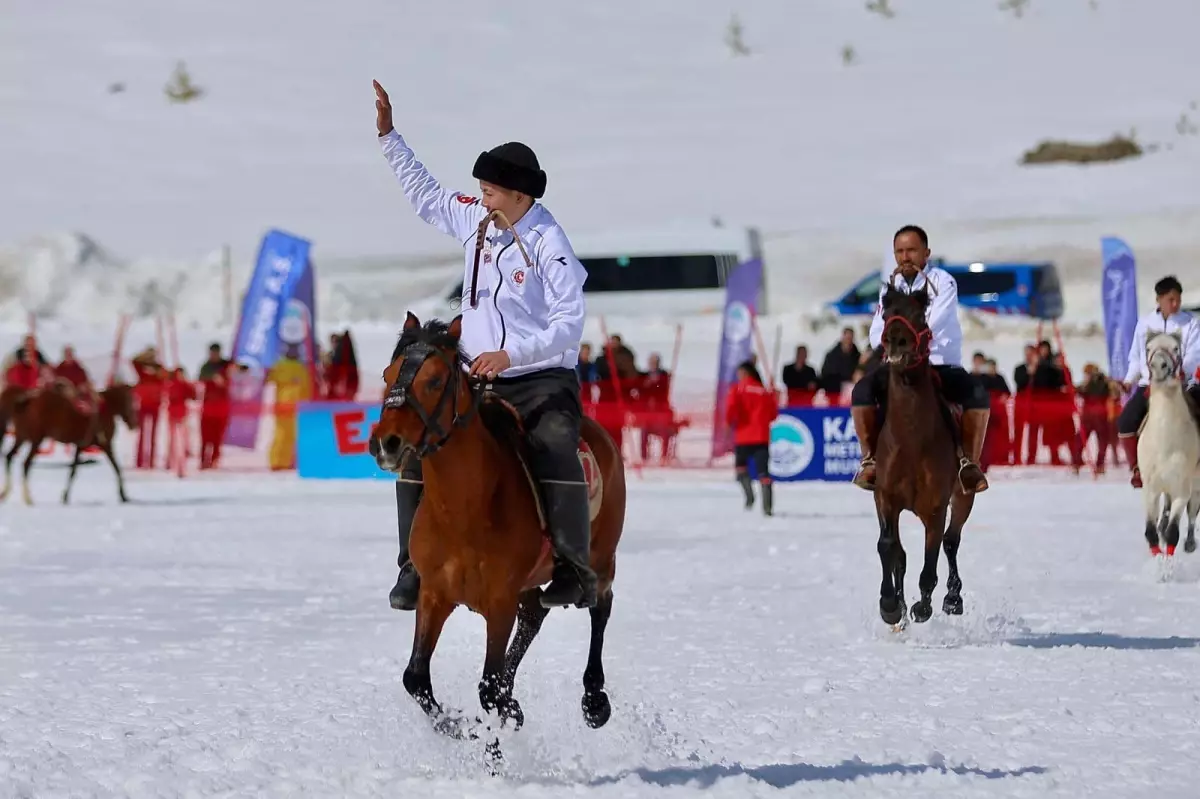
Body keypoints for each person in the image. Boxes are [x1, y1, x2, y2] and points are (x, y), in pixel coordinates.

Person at [375, 79, 597, 611]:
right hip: (478, 378)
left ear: (520, 196)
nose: (481, 198)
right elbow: (428, 196)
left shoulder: (550, 243)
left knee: (557, 443)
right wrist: (389, 137)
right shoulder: (478, 219)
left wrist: (514, 355)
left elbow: (571, 323)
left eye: (491, 191)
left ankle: (572, 566)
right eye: (480, 188)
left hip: (540, 378)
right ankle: (412, 566)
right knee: (418, 446)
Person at [850, 225, 991, 493]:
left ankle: (969, 465)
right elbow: (877, 329)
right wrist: (890, 343)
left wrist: (907, 335)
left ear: (926, 253)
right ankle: (869, 460)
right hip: (898, 365)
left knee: (977, 393)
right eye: (899, 252)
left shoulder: (943, 282)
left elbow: (935, 321)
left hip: (939, 363)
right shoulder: (890, 287)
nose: (905, 257)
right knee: (862, 391)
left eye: (911, 250)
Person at [1115, 275, 1200, 487]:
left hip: (1182, 385)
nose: (1175, 304)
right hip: (1150, 386)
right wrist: (1128, 380)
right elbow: (1136, 357)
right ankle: (1137, 469)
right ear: (1158, 299)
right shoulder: (1144, 324)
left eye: (1178, 299)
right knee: (1126, 421)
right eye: (1171, 299)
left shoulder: (1190, 323)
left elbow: (1194, 354)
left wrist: (1181, 371)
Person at [725, 360, 778, 516]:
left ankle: (750, 497)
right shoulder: (764, 391)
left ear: (744, 373)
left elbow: (731, 409)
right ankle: (767, 507)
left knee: (741, 469)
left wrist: (728, 425)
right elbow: (773, 415)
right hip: (761, 436)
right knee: (764, 474)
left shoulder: (737, 389)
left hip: (743, 436)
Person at [266, 344, 313, 470]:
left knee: (287, 434)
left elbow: (306, 388)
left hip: (290, 406)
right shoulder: (293, 367)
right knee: (285, 434)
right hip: (288, 406)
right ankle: (278, 461)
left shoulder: (287, 366)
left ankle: (283, 461)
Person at [131, 346, 166, 469]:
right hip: (143, 403)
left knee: (153, 435)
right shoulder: (141, 367)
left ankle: (151, 460)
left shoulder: (159, 369)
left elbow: (165, 377)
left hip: (155, 404)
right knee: (141, 434)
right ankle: (139, 460)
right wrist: (143, 356)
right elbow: (133, 361)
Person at [198, 343, 232, 469]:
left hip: (222, 407)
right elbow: (201, 378)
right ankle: (203, 460)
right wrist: (213, 378)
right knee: (205, 436)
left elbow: (240, 370)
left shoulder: (226, 365)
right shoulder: (206, 367)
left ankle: (214, 459)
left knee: (218, 436)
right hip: (207, 407)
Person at [53, 346, 97, 413]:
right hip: (62, 398)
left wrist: (84, 387)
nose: (68, 356)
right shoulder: (58, 370)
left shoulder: (79, 370)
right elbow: (55, 384)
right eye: (67, 354)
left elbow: (86, 383)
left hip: (79, 397)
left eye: (70, 354)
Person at [820, 328, 860, 399]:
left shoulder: (858, 356)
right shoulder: (831, 356)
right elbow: (825, 374)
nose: (848, 341)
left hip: (853, 391)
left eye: (850, 338)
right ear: (842, 338)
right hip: (834, 392)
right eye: (847, 338)